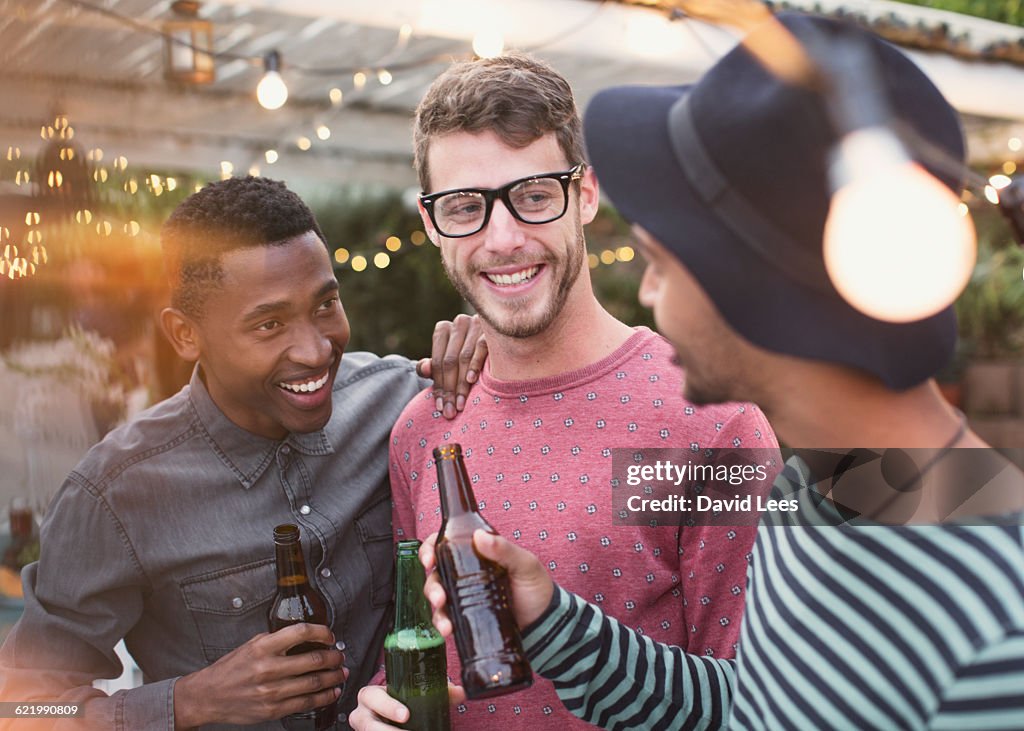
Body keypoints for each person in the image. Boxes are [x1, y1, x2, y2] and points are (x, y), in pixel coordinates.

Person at [410, 12, 1024, 731]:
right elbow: (747, 708)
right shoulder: (824, 492)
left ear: (757, 284)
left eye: (664, 260)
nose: (646, 292)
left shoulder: (999, 632)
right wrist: (551, 619)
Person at [351, 54, 777, 730]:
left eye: (534, 195)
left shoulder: (711, 421)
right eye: (466, 207)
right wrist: (385, 702)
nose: (504, 238)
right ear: (432, 223)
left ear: (584, 194)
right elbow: (429, 649)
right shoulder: (421, 429)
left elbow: (759, 700)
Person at [0, 176, 486, 730]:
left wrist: (489, 343)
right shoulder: (115, 493)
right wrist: (189, 701)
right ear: (185, 335)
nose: (315, 349)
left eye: (326, 304)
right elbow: (21, 706)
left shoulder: (399, 403)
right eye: (269, 324)